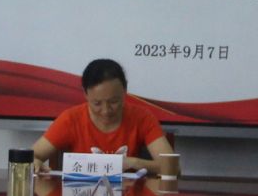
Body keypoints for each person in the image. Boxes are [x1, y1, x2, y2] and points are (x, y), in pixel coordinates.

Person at [31, 58, 174, 175]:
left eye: (114, 102)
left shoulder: (142, 118)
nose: (106, 111)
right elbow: (30, 157)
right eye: (97, 103)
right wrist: (35, 162)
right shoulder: (71, 119)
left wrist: (134, 162)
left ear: (125, 90)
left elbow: (173, 168)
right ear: (85, 94)